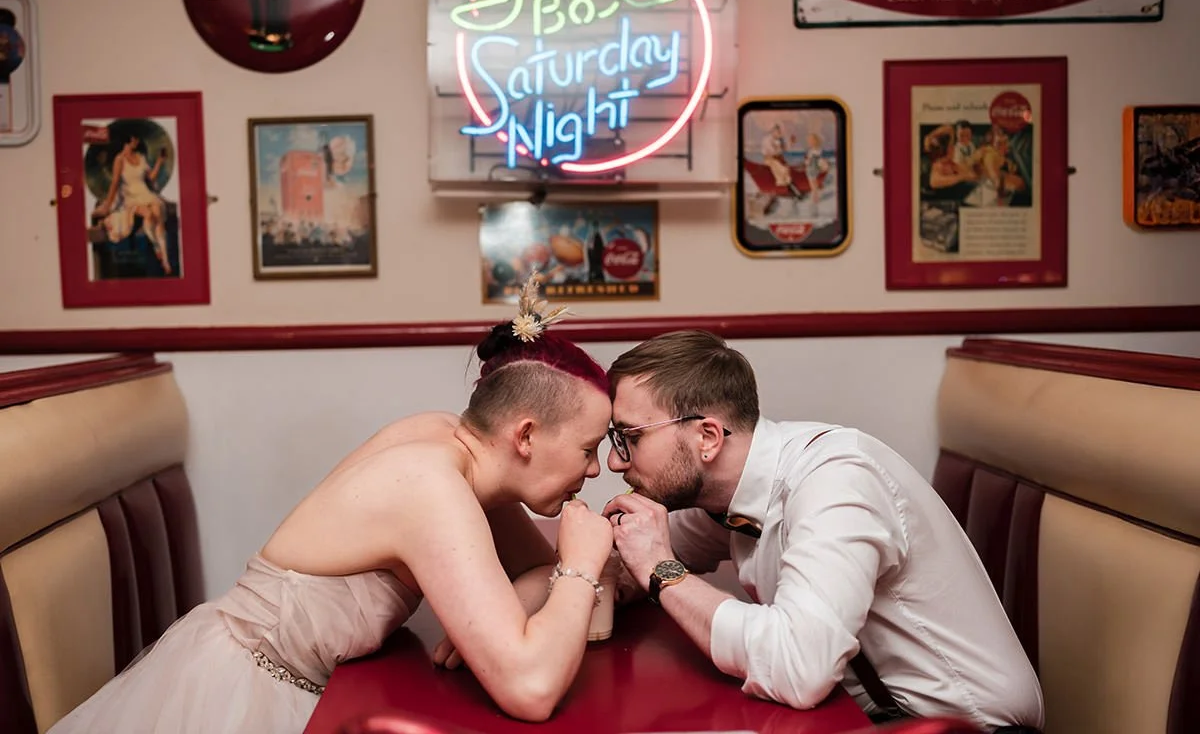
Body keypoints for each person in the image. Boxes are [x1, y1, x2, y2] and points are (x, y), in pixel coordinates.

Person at [50, 274, 617, 733]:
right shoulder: (430, 484)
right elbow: (531, 690)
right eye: (588, 449)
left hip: (312, 690)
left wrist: (499, 622)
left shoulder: (452, 441)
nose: (594, 470)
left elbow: (531, 574)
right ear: (525, 436)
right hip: (246, 698)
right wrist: (582, 567)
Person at [600, 330, 1044, 733]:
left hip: (962, 727)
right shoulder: (728, 496)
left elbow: (800, 667)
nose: (616, 462)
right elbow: (629, 563)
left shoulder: (835, 480)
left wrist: (661, 570)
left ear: (708, 437)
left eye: (630, 438)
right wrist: (603, 568)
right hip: (863, 715)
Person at [92, 134, 174, 275]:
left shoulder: (141, 157)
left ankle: (165, 260)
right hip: (131, 198)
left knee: (158, 214)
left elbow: (151, 177)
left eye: (137, 138)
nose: (137, 141)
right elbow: (115, 183)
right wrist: (108, 205)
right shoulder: (119, 159)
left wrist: (160, 161)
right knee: (148, 215)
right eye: (134, 138)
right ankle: (156, 245)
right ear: (127, 141)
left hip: (146, 194)